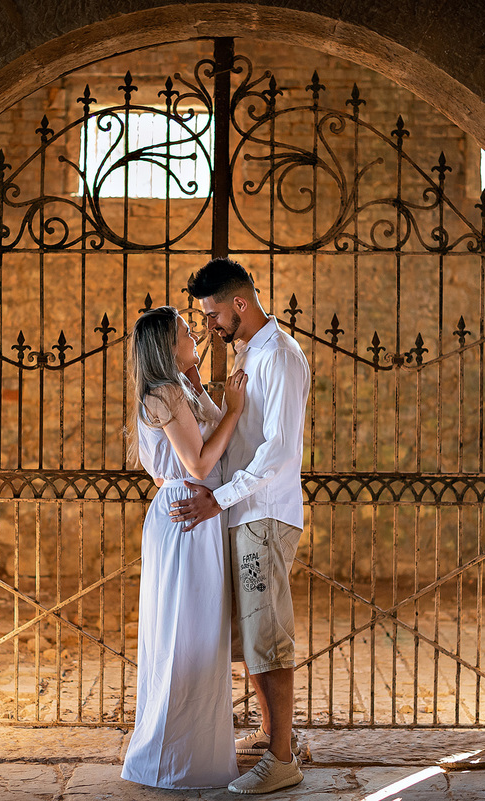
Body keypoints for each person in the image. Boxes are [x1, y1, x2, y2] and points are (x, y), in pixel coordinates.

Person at [172, 257, 310, 795]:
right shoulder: (252, 352)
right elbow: (238, 436)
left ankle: (281, 761)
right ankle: (276, 736)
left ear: (240, 304)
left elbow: (277, 453)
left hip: (263, 515)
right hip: (242, 513)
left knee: (267, 635)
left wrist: (219, 499)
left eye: (211, 315)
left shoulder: (279, 357)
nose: (208, 325)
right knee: (250, 636)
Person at [120, 306, 248, 790]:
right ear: (167, 345)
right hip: (187, 515)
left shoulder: (177, 387)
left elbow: (214, 441)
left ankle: (189, 755)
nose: (196, 334)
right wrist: (234, 410)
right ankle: (173, 761)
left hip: (193, 512)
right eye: (186, 332)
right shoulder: (164, 393)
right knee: (185, 633)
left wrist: (200, 384)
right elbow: (197, 464)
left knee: (195, 632)